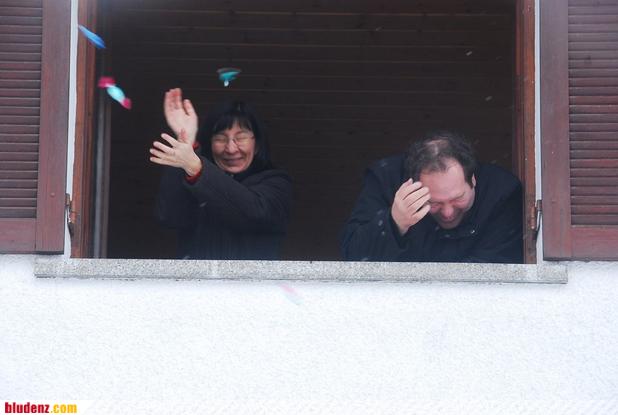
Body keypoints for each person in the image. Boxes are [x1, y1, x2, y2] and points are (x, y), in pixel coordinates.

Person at [149, 88, 292, 259]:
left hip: (253, 278)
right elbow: (170, 217)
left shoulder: (277, 183)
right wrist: (186, 143)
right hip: (198, 277)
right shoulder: (193, 179)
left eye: (241, 137)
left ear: (258, 145)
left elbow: (255, 214)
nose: (231, 149)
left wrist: (198, 168)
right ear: (209, 144)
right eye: (220, 138)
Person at [341, 130, 523, 263]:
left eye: (457, 198)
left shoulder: (501, 192)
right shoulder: (386, 180)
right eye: (434, 202)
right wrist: (394, 223)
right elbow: (354, 258)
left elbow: (501, 269)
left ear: (473, 180)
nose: (448, 213)